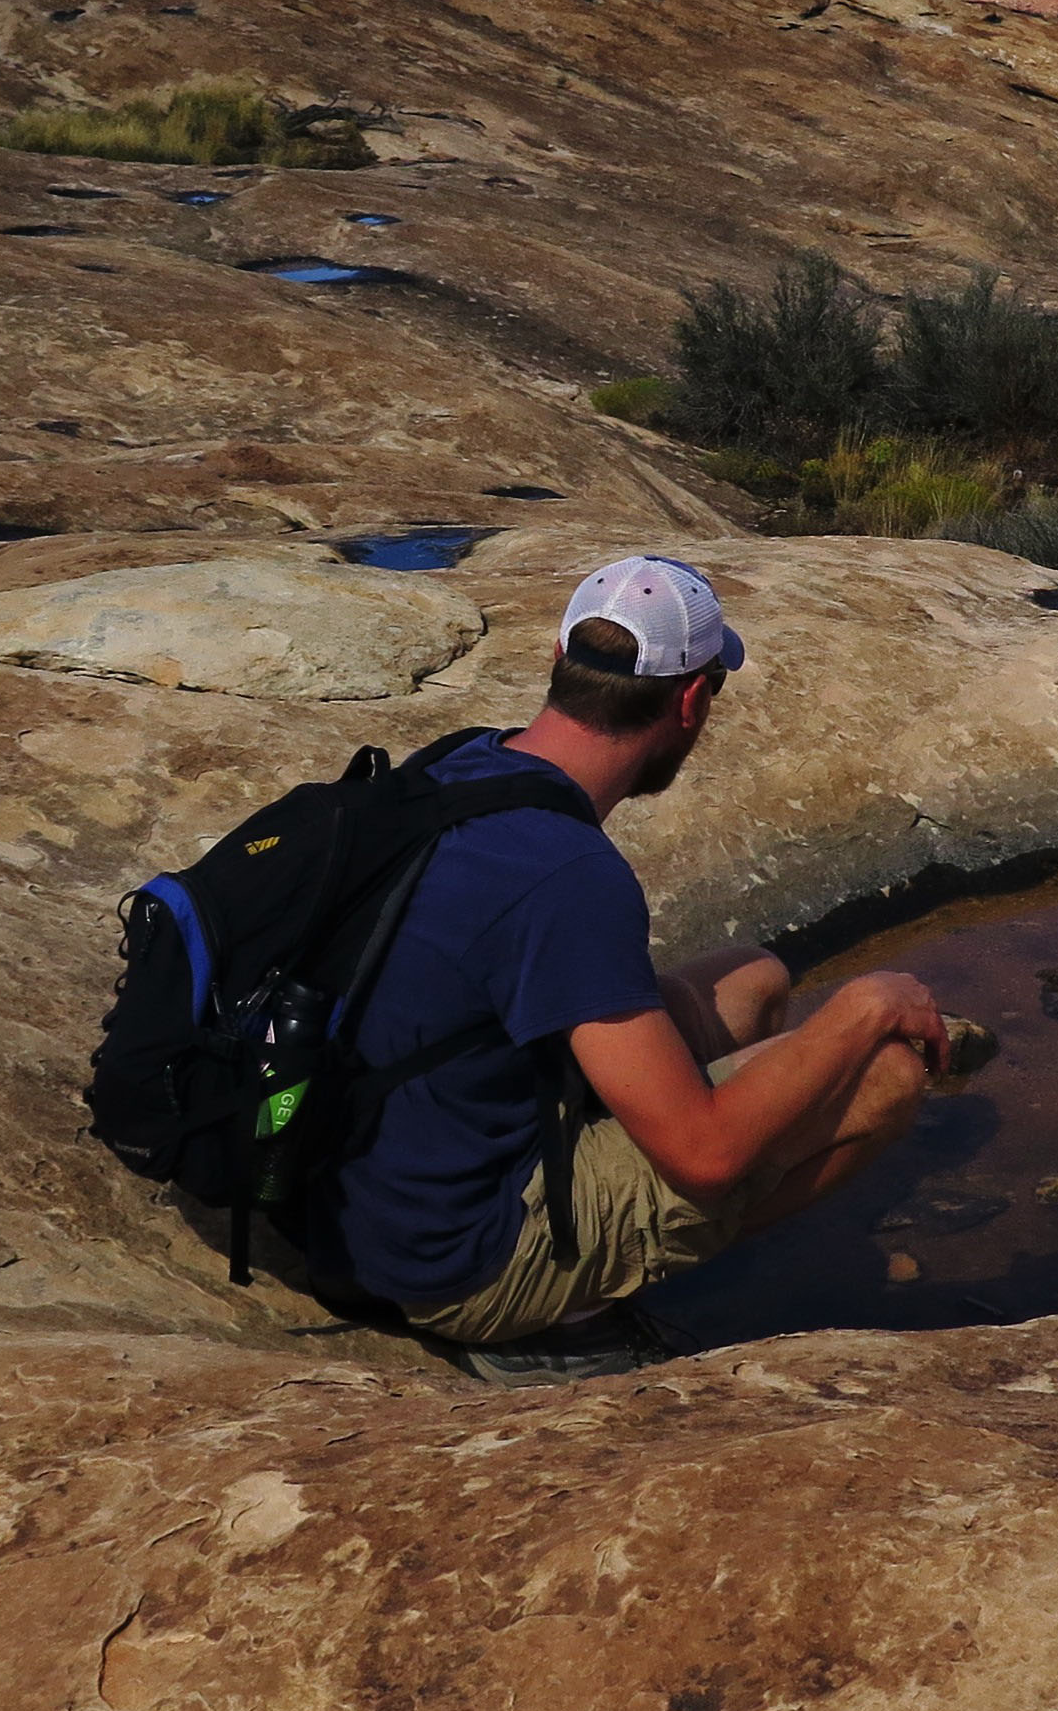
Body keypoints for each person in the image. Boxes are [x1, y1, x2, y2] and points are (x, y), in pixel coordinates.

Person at [298, 552, 950, 1349]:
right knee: (886, 1073)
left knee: (753, 979)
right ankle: (570, 1305)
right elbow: (704, 1156)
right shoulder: (569, 876)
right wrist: (863, 1007)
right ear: (690, 702)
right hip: (454, 1259)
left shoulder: (462, 762)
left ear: (559, 662)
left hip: (360, 1172)